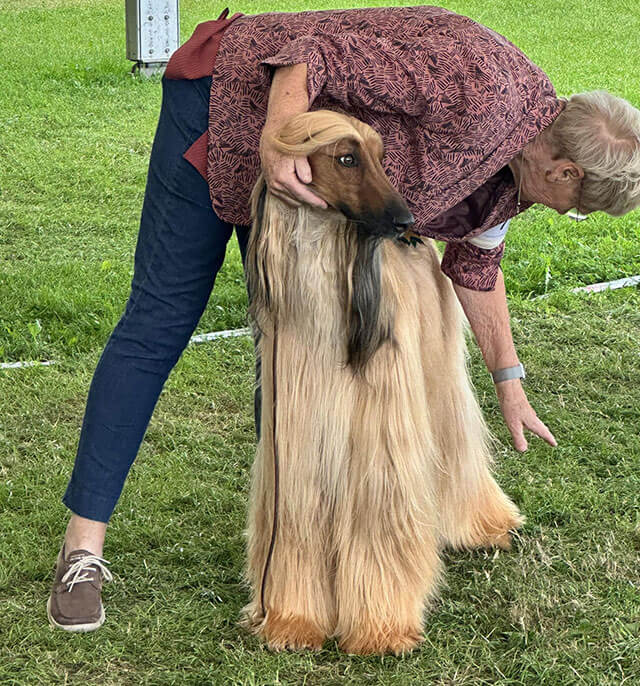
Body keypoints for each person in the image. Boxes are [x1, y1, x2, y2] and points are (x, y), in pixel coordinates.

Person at [47, 6, 640, 632]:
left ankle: (296, 559)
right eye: (577, 207)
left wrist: (509, 381)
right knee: (161, 318)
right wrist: (278, 146)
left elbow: (475, 266)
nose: (564, 213)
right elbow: (307, 50)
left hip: (313, 182)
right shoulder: (480, 87)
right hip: (229, 102)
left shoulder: (511, 170)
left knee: (292, 351)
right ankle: (81, 551)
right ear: (565, 171)